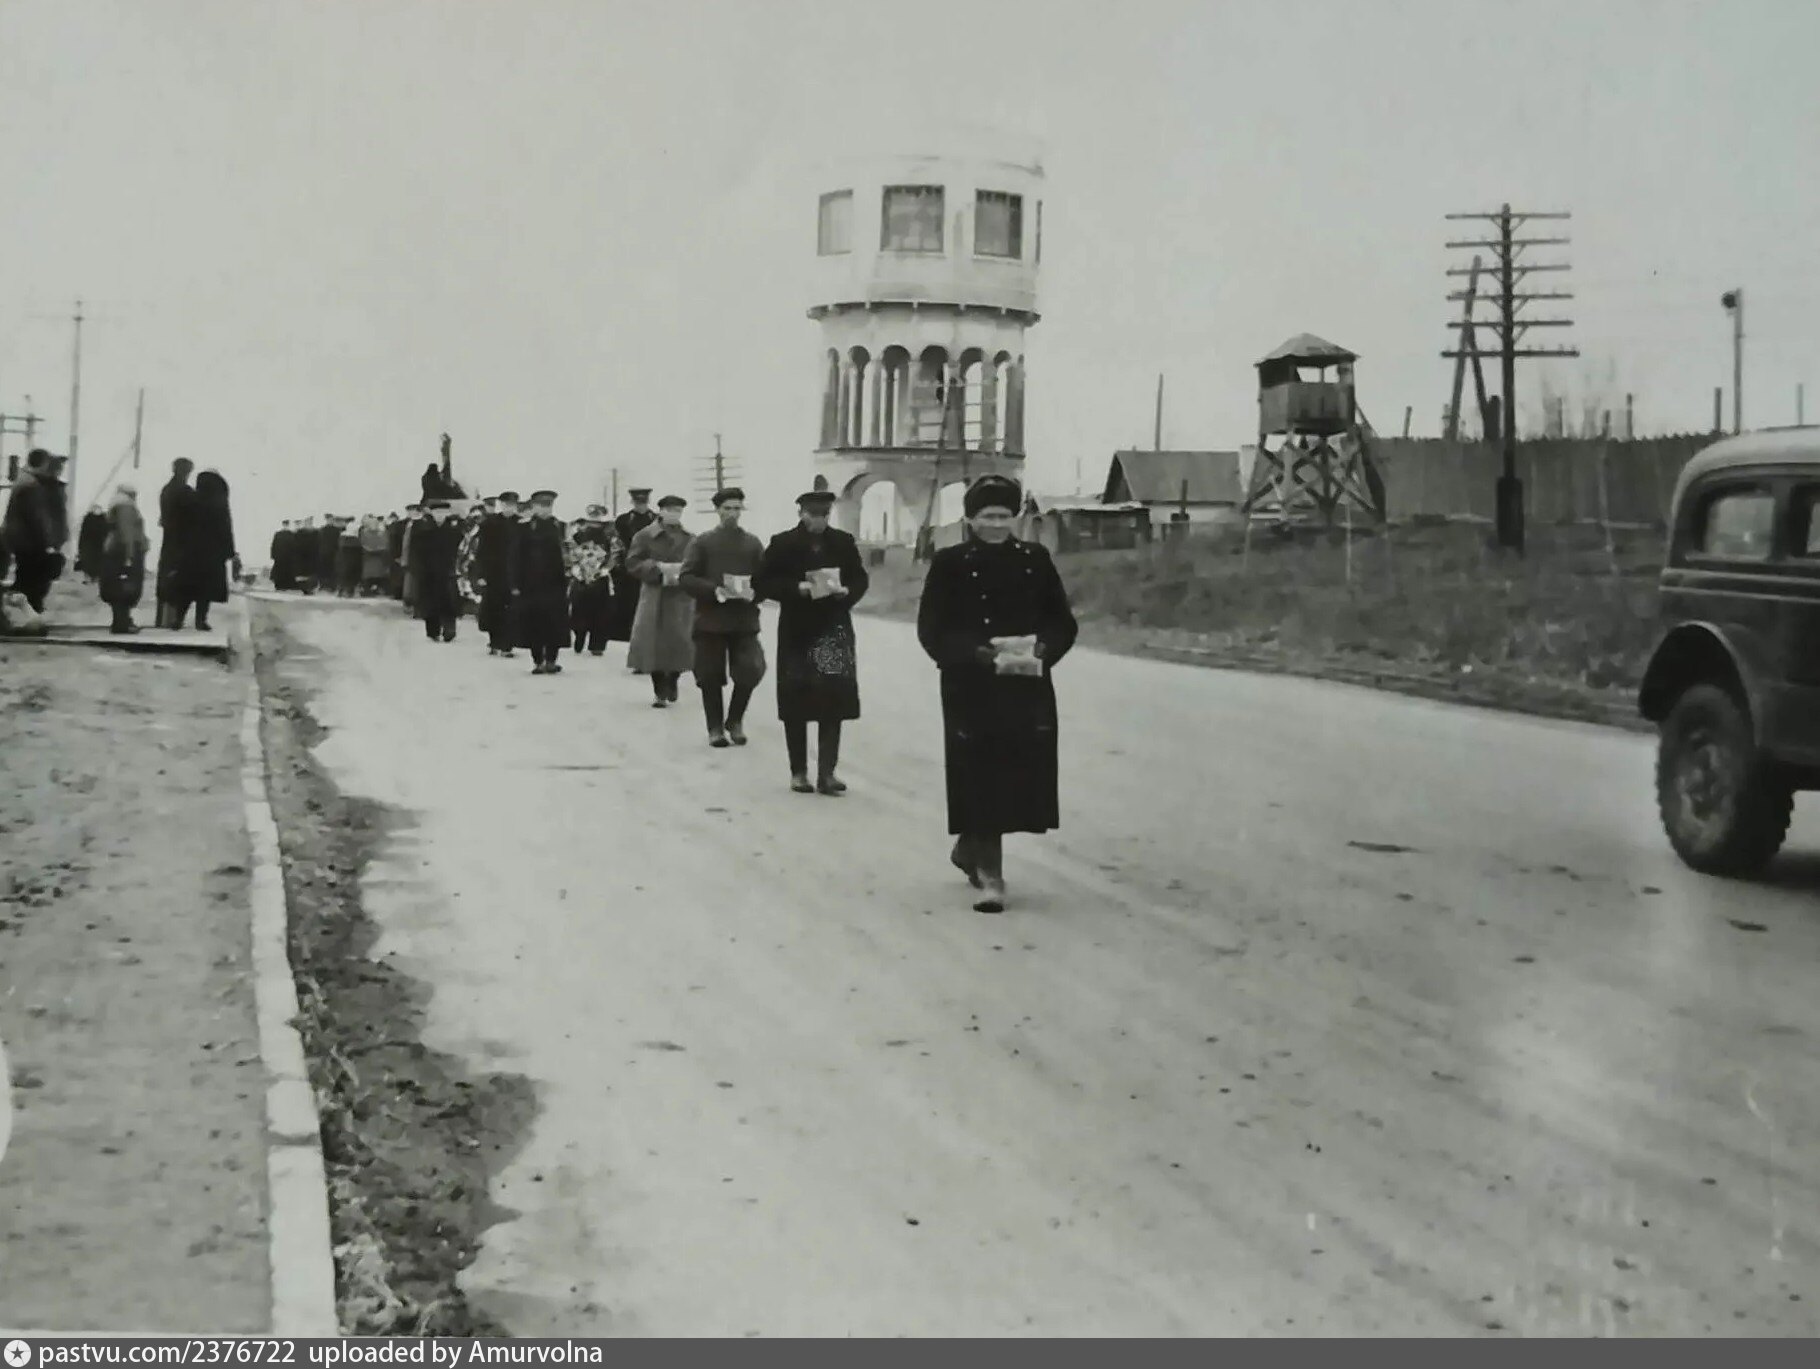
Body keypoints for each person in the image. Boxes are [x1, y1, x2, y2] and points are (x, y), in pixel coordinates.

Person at [916, 474, 1079, 914]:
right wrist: (974, 653)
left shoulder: (1035, 559)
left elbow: (1062, 622)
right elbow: (932, 628)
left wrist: (1044, 649)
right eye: (987, 516)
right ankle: (992, 876)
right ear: (970, 519)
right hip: (971, 686)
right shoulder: (950, 563)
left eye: (1004, 516)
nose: (996, 525)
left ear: (1015, 518)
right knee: (979, 773)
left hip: (1026, 683)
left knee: (1017, 775)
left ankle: (969, 846)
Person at [755, 489, 869, 793]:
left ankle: (827, 773)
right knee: (796, 700)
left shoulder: (842, 542)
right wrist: (797, 588)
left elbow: (860, 578)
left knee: (833, 699)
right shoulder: (783, 543)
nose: (819, 520)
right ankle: (799, 772)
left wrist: (848, 592)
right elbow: (762, 581)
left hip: (833, 628)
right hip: (798, 630)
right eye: (813, 514)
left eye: (825, 515)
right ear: (801, 514)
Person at [679, 487, 767, 748]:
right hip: (710, 619)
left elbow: (765, 578)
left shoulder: (752, 543)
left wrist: (756, 592)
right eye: (727, 508)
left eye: (737, 508)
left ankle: (735, 720)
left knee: (751, 669)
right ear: (717, 510)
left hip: (743, 619)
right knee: (709, 675)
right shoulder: (703, 542)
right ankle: (715, 728)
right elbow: (686, 577)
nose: (732, 513)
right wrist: (713, 590)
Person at [624, 494, 696, 706]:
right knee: (652, 642)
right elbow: (632, 562)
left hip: (680, 596)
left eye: (678, 511)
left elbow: (698, 563)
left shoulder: (691, 538)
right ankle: (659, 690)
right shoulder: (645, 535)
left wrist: (684, 572)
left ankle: (673, 678)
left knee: (680, 642)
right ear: (661, 511)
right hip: (654, 594)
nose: (674, 514)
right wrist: (656, 569)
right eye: (670, 510)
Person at [510, 489, 571, 675]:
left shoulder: (560, 527)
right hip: (530, 585)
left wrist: (570, 578)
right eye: (541, 506)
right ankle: (537, 661)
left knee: (555, 623)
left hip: (555, 584)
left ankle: (551, 660)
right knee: (533, 623)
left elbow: (568, 555)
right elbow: (515, 557)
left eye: (548, 506)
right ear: (534, 506)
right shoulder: (524, 528)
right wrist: (515, 584)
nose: (545, 509)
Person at [2, 449, 71, 614]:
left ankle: (28, 612)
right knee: (32, 582)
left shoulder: (28, 482)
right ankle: (27, 613)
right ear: (43, 463)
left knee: (30, 579)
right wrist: (48, 542)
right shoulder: (31, 485)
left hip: (24, 541)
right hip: (29, 542)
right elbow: (37, 517)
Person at [174, 468, 238, 630]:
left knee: (187, 587)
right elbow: (225, 528)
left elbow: (180, 527)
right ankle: (200, 620)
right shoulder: (219, 503)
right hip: (212, 554)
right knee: (206, 590)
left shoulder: (190, 499)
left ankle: (178, 619)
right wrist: (230, 551)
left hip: (190, 552)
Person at [609, 488, 658, 649]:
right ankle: (629, 638)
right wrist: (617, 565)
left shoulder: (656, 519)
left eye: (643, 502)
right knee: (628, 605)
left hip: (651, 567)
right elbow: (616, 544)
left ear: (648, 501)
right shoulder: (623, 520)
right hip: (627, 570)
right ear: (632, 502)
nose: (641, 505)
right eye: (638, 502)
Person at [98, 482, 150, 634]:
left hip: (115, 550)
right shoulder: (126, 506)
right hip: (123, 552)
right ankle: (122, 623)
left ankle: (121, 621)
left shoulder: (116, 504)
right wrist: (130, 556)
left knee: (118, 587)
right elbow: (127, 531)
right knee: (125, 588)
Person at [569, 505, 617, 656]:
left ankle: (597, 645)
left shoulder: (610, 536)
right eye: (592, 520)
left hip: (601, 577)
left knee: (601, 613)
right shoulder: (578, 535)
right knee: (579, 610)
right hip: (581, 577)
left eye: (597, 520)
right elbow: (570, 552)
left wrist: (605, 569)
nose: (594, 523)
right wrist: (576, 569)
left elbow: (615, 554)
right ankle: (579, 636)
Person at [411, 501, 461, 642]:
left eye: (443, 512)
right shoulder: (422, 529)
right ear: (432, 513)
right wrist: (417, 569)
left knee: (449, 601)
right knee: (430, 602)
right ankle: (433, 630)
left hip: (447, 571)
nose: (440, 515)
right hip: (428, 572)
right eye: (437, 512)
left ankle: (449, 629)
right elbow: (415, 551)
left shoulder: (453, 530)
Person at [155, 457, 196, 627]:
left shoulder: (166, 489)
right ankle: (174, 619)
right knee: (179, 578)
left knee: (166, 576)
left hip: (168, 538)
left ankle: (162, 619)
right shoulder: (187, 492)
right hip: (183, 540)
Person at [77, 504, 108, 583]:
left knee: (89, 561)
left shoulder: (88, 518)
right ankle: (94, 578)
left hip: (90, 545)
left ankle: (90, 578)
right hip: (97, 545)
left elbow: (83, 534)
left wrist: (80, 547)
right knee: (95, 561)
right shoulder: (103, 519)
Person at [359, 514, 389, 595]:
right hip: (370, 559)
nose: (373, 525)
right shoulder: (365, 533)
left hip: (376, 559)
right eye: (372, 523)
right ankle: (368, 589)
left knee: (377, 574)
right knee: (370, 575)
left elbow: (385, 544)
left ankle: (376, 588)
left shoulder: (381, 533)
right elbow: (363, 543)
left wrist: (374, 549)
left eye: (375, 523)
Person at [270, 520, 295, 590]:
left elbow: (294, 546)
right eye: (285, 525)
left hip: (288, 558)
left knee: (287, 572)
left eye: (287, 525)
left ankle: (287, 585)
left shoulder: (291, 534)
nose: (285, 526)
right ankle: (279, 585)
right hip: (280, 557)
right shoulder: (278, 534)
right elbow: (274, 545)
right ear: (283, 525)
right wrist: (273, 555)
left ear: (288, 525)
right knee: (279, 572)